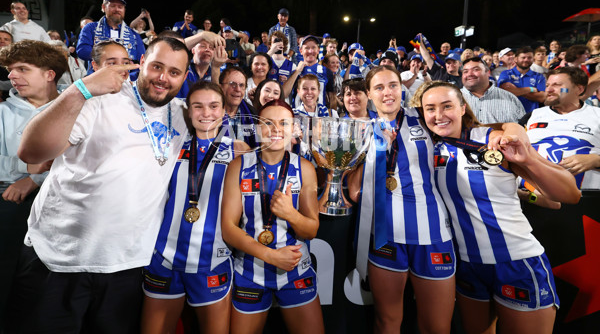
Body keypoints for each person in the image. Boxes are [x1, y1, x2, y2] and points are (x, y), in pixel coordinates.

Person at [7, 37, 191, 333]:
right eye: (156, 66)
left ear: (184, 77)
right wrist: (80, 90)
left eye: (174, 72)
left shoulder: (183, 115)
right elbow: (31, 152)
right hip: (59, 260)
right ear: (140, 63)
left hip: (128, 267)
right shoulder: (99, 98)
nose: (162, 78)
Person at [416, 81, 580, 334]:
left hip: (515, 262)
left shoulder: (495, 142)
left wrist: (528, 159)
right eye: (430, 108)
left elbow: (569, 195)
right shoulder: (429, 147)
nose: (438, 115)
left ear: (462, 108)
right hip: (468, 265)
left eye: (447, 106)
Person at [345, 65, 456, 333]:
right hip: (386, 235)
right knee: (387, 321)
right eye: (379, 88)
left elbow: (467, 128)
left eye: (393, 85)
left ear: (402, 88)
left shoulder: (426, 119)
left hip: (432, 233)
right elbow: (354, 190)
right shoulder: (362, 131)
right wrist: (376, 149)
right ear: (369, 94)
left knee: (436, 326)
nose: (388, 93)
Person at [141, 81, 249, 334]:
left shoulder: (239, 151)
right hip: (163, 257)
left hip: (212, 261)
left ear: (224, 111)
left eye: (213, 106)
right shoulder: (170, 147)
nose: (206, 113)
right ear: (188, 111)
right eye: (198, 106)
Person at [221, 99, 323, 334]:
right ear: (257, 128)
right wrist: (271, 256)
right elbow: (228, 227)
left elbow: (311, 230)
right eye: (268, 123)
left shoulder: (305, 168)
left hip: (295, 269)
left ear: (293, 129)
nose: (276, 129)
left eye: (284, 123)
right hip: (250, 270)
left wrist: (291, 215)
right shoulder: (238, 166)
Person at [0, 40, 66, 326]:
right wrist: (25, 168)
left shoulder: (75, 108)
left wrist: (34, 178)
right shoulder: (3, 113)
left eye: (22, 69)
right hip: (11, 203)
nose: (12, 76)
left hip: (62, 206)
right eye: (10, 70)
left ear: (49, 74)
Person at [520, 67, 600, 191]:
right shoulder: (532, 116)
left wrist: (596, 160)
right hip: (532, 196)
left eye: (557, 85)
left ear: (579, 89)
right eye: (547, 85)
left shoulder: (597, 115)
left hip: (586, 199)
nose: (549, 90)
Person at [76, 0, 145, 65]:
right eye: (113, 6)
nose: (117, 9)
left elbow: (142, 59)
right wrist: (108, 58)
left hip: (127, 75)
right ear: (103, 7)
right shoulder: (91, 28)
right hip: (98, 74)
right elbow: (82, 50)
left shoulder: (134, 35)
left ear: (124, 10)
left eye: (120, 7)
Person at [461, 56, 526, 123]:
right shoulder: (453, 98)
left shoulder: (510, 98)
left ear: (488, 72)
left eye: (476, 69)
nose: (469, 74)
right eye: (465, 71)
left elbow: (522, 128)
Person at [177, 32, 227, 98]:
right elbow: (173, 48)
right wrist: (202, 35)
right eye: (203, 46)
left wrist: (216, 67)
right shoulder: (182, 67)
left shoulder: (217, 73)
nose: (207, 50)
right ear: (193, 50)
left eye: (211, 48)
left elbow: (217, 99)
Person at [498, 46, 546, 113]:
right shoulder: (506, 74)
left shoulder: (539, 76)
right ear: (516, 59)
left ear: (533, 59)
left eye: (529, 58)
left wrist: (516, 91)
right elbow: (506, 92)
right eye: (523, 57)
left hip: (531, 116)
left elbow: (542, 98)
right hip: (509, 115)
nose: (526, 60)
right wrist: (530, 89)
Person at [219, 66, 257, 148]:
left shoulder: (253, 115)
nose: (238, 89)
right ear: (220, 87)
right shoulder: (210, 114)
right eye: (232, 84)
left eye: (242, 85)